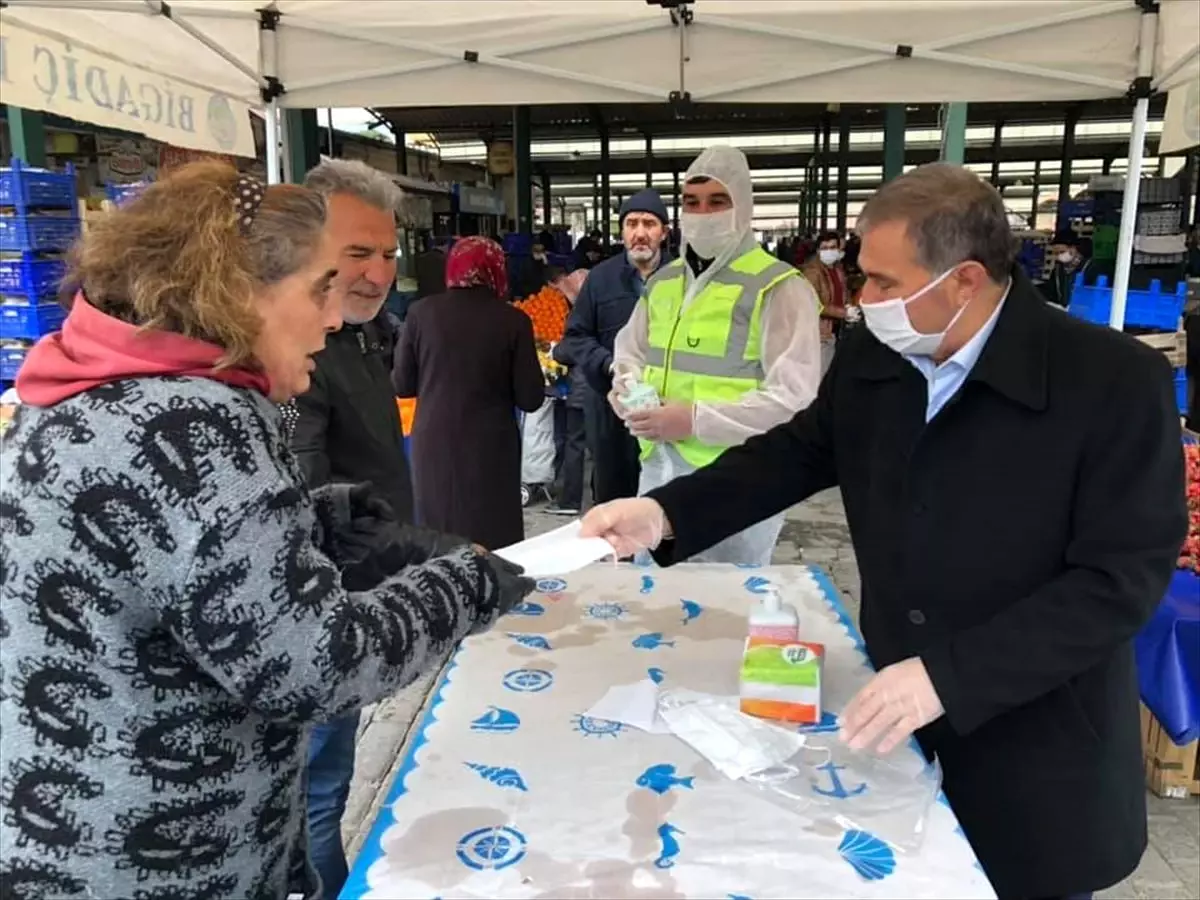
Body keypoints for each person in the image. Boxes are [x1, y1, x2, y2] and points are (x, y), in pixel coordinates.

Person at [581, 163, 1187, 900]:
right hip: (893, 726)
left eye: (885, 283)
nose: (863, 301)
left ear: (965, 281)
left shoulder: (1112, 384)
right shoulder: (877, 356)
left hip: (1037, 746)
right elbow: (798, 452)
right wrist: (667, 512)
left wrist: (948, 677)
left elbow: (1118, 583)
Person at [0, 161, 534, 900]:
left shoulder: (90, 389)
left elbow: (155, 559)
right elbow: (311, 664)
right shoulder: (191, 422)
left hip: (73, 827)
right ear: (237, 291)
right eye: (318, 289)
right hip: (159, 854)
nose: (332, 317)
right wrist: (464, 585)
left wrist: (315, 526)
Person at [281, 158, 410, 900]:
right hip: (323, 612)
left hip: (360, 596)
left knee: (334, 772)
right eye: (357, 253)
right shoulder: (299, 350)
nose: (379, 272)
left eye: (388, 253)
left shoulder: (364, 335)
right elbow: (308, 495)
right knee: (321, 789)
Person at [610, 146, 822, 565]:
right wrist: (626, 390)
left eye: (717, 201)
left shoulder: (778, 288)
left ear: (742, 207)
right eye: (691, 202)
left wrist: (694, 418)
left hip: (737, 479)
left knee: (725, 607)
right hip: (659, 469)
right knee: (652, 601)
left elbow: (795, 400)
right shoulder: (664, 281)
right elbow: (629, 352)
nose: (702, 212)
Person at [394, 236, 545, 549]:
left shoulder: (421, 313)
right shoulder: (513, 321)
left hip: (433, 442)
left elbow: (402, 385)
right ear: (497, 269)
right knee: (494, 535)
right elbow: (531, 399)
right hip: (491, 450)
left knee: (439, 529)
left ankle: (442, 593)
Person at [556, 190, 673, 504]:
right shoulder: (601, 280)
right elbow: (576, 336)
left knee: (665, 495)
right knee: (613, 495)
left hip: (667, 405)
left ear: (664, 231)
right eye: (631, 223)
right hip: (611, 408)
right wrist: (610, 364)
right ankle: (616, 554)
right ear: (622, 232)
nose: (640, 233)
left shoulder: (683, 277)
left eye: (649, 224)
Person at [549, 269, 592, 515]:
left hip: (582, 390)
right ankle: (603, 496)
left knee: (575, 444)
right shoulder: (601, 311)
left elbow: (570, 350)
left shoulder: (581, 315)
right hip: (597, 390)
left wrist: (555, 351)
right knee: (598, 445)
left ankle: (570, 501)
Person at [802, 229, 850, 375]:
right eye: (824, 248)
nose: (829, 251)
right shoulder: (812, 271)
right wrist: (843, 313)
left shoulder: (837, 269)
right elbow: (812, 303)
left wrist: (848, 305)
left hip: (836, 330)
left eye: (832, 247)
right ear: (818, 250)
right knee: (820, 376)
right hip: (820, 331)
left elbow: (843, 291)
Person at [1041, 229, 1092, 308]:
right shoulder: (1058, 270)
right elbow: (1051, 292)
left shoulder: (1089, 267)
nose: (1059, 256)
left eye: (1061, 252)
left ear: (1073, 248)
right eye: (1056, 253)